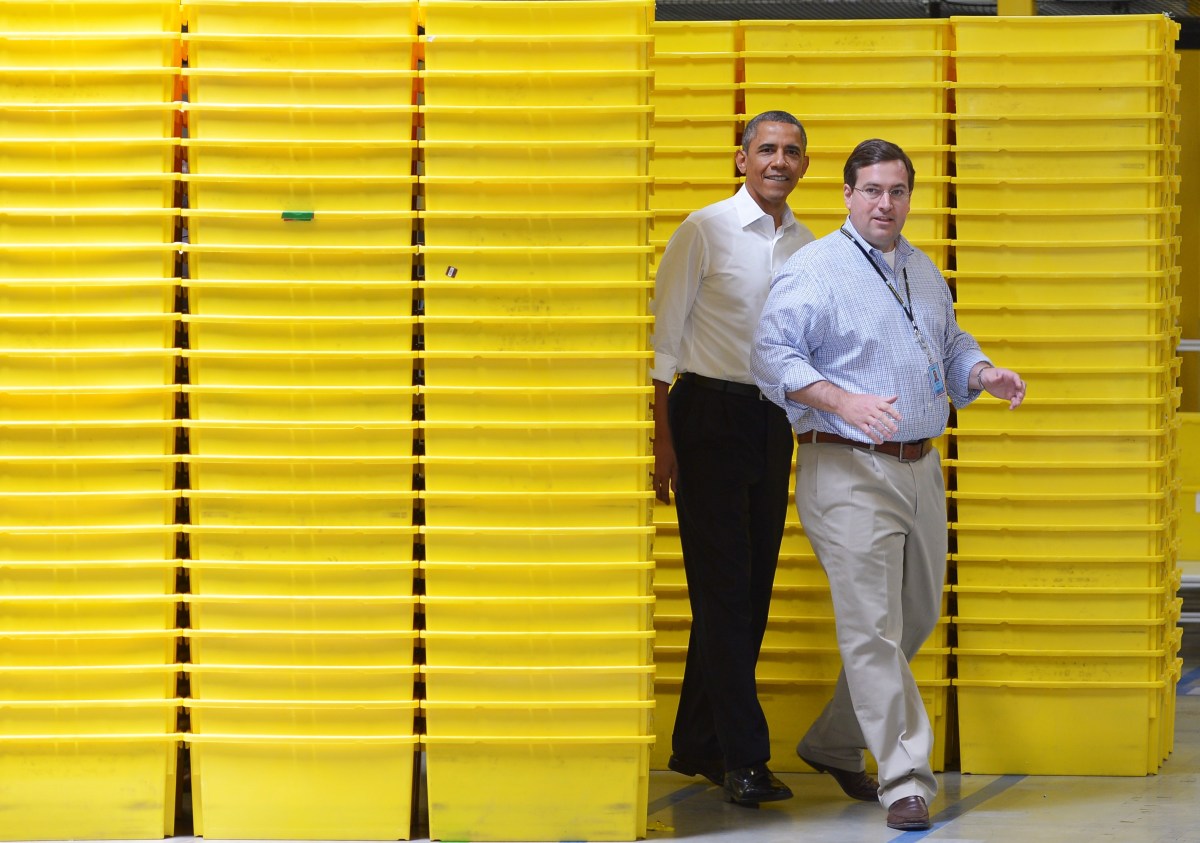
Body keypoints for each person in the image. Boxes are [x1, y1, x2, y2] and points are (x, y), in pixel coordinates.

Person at [750, 138, 1025, 831]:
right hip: (845, 465)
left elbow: (949, 341)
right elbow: (770, 355)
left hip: (919, 465)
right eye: (871, 190)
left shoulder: (922, 269)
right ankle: (903, 777)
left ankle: (834, 741)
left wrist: (983, 372)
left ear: (908, 196)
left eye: (897, 191)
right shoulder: (815, 269)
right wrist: (842, 401)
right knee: (873, 625)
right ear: (847, 195)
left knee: (914, 616)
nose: (885, 203)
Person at [650, 110, 814, 806]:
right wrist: (662, 439)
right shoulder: (704, 229)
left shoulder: (807, 243)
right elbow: (662, 342)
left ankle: (697, 742)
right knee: (722, 590)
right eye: (767, 148)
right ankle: (745, 757)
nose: (780, 160)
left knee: (748, 590)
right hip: (707, 414)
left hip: (771, 417)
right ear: (741, 158)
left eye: (792, 151)